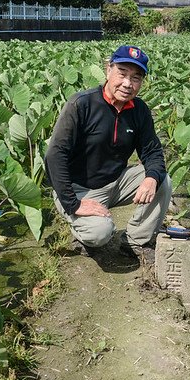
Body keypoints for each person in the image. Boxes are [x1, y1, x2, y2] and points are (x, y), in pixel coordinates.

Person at [45, 45, 172, 262]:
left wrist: (151, 178)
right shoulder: (81, 104)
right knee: (100, 234)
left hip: (115, 183)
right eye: (122, 73)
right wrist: (74, 203)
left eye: (136, 78)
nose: (127, 83)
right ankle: (81, 233)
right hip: (78, 189)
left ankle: (135, 242)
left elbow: (152, 152)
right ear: (108, 70)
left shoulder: (139, 110)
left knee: (162, 180)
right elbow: (55, 155)